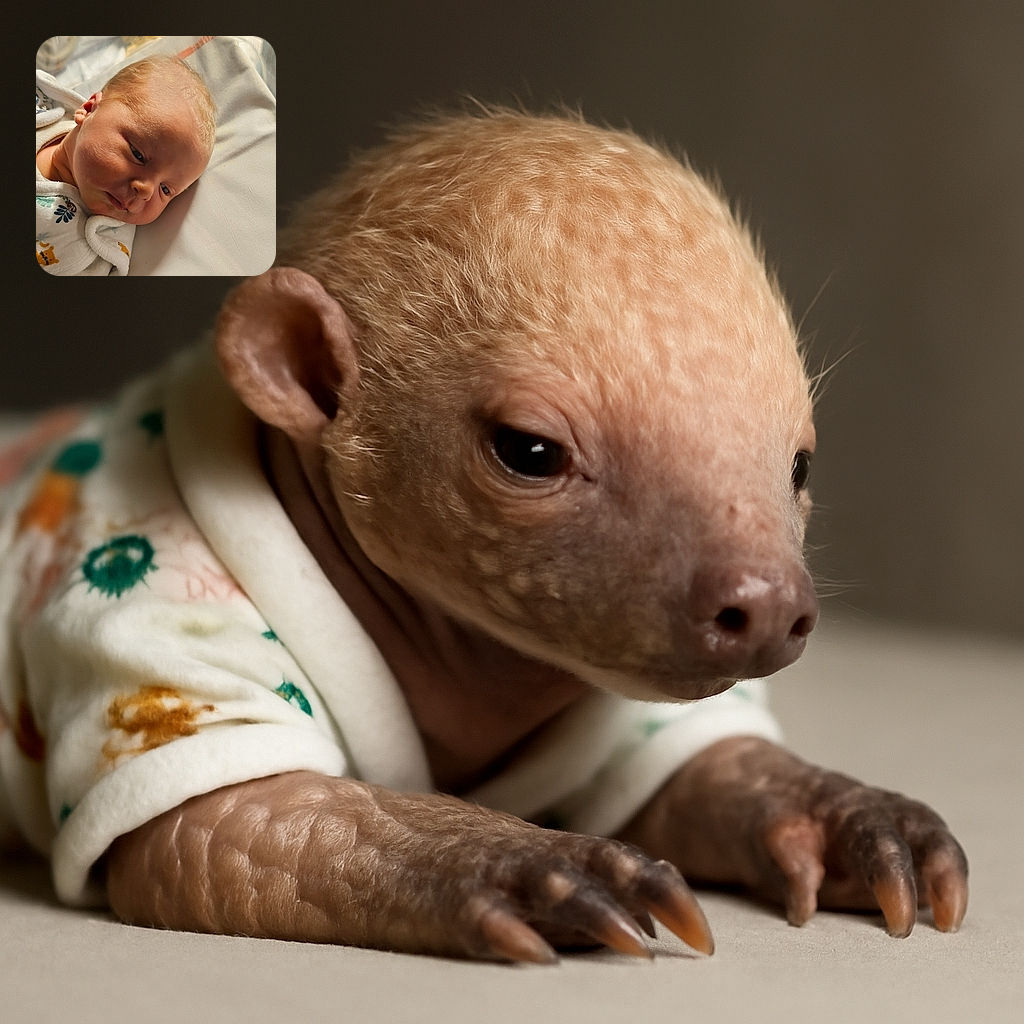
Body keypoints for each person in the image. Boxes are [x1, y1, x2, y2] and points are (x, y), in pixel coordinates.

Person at [35, 56, 216, 275]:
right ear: (90, 108)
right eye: (138, 155)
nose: (146, 190)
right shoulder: (44, 103)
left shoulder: (87, 251)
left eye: (165, 189)